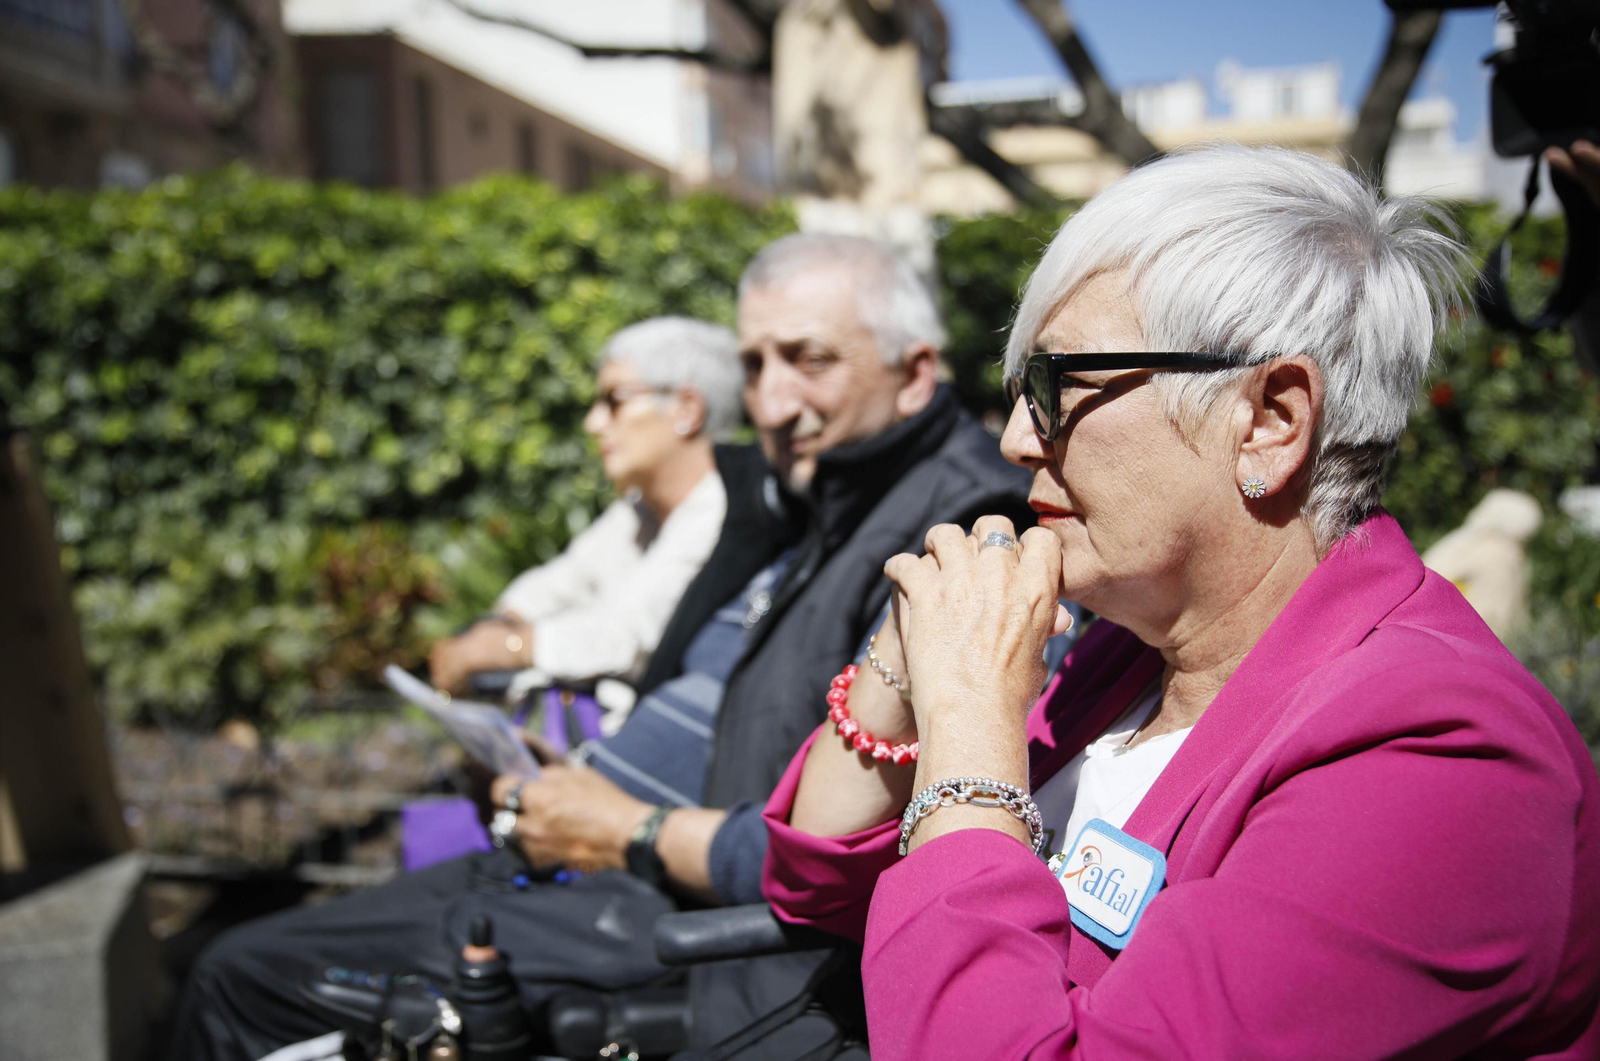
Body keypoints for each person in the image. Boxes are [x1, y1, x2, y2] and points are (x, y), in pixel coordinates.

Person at [761, 147, 1600, 1060]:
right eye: (1016, 390)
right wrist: (916, 639)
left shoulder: (1442, 757)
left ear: (1271, 420)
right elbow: (824, 875)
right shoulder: (1131, 653)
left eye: (1060, 385)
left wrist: (968, 728)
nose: (1012, 440)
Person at [171, 234, 1032, 1061]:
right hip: (605, 859)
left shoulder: (957, 534)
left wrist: (625, 828)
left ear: (916, 373)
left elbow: (872, 850)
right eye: (753, 365)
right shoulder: (821, 498)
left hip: (704, 938)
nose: (770, 403)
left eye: (809, 360)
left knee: (240, 976)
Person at [427, 315, 742, 704]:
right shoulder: (641, 509)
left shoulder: (727, 517)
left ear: (686, 410)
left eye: (615, 400)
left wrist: (503, 648)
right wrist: (493, 630)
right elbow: (560, 582)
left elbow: (625, 639)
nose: (593, 422)